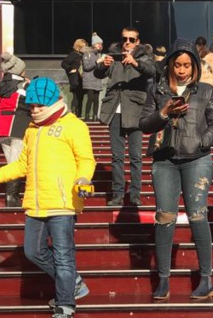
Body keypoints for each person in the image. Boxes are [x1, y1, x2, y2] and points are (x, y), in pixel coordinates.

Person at [0, 77, 96, 318]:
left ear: (53, 101)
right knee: (33, 251)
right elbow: (21, 166)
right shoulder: (31, 130)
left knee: (64, 258)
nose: (35, 110)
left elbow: (86, 159)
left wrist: (83, 180)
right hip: (36, 203)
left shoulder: (74, 126)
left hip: (63, 203)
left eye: (40, 105)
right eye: (31, 106)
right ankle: (73, 283)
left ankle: (65, 309)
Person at [139, 40, 213, 301]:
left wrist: (203, 141)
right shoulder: (157, 90)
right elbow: (144, 124)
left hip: (197, 159)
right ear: (170, 65)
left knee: (198, 216)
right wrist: (164, 112)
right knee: (165, 218)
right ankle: (163, 279)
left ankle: (206, 278)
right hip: (164, 160)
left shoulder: (206, 91)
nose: (182, 70)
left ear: (195, 66)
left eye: (187, 65)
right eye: (177, 64)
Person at [94, 27, 156, 207]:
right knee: (117, 156)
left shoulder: (143, 56)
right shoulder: (114, 55)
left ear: (137, 41)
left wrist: (135, 63)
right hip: (115, 111)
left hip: (136, 111)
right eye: (124, 39)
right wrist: (102, 64)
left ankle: (135, 194)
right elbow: (98, 73)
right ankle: (118, 194)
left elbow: (152, 71)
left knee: (136, 156)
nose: (127, 42)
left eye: (131, 39)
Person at [0, 51, 30, 207]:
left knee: (11, 161)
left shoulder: (0, 85)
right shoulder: (23, 85)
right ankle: (12, 197)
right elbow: (31, 106)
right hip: (18, 125)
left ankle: (11, 196)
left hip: (2, 127)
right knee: (16, 163)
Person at [60, 38, 87, 116]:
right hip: (75, 79)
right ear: (78, 47)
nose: (85, 49)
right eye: (83, 47)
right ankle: (74, 114)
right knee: (76, 96)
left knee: (80, 97)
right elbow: (64, 63)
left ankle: (79, 115)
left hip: (81, 79)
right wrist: (70, 69)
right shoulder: (73, 54)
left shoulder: (82, 55)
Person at [81, 34, 104, 121]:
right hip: (89, 80)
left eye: (101, 44)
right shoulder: (87, 53)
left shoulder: (99, 54)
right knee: (90, 98)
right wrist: (97, 62)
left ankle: (95, 116)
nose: (100, 45)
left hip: (97, 79)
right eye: (98, 44)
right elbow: (86, 67)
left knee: (96, 99)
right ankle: (87, 116)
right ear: (94, 44)